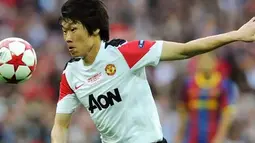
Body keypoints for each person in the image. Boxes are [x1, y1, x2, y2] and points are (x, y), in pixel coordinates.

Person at [51, 0, 255, 143]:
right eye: (64, 31)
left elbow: (185, 50)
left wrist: (236, 35)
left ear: (94, 29)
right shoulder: (70, 73)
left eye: (73, 29)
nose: (67, 37)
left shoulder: (125, 53)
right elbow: (61, 125)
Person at [175, 53, 238, 143]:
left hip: (214, 135)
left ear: (216, 62)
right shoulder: (188, 84)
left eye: (209, 59)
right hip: (193, 135)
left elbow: (227, 114)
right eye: (203, 59)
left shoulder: (224, 85)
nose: (206, 62)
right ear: (198, 62)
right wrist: (179, 135)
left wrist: (220, 136)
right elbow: (183, 112)